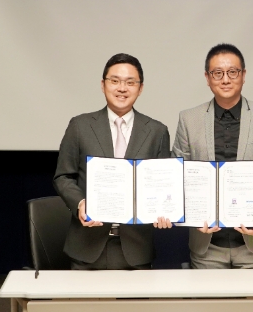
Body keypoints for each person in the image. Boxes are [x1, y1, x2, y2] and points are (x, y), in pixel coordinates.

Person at [172, 43, 253, 269]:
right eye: (217, 73)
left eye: (233, 72)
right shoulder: (189, 119)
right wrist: (191, 215)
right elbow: (177, 176)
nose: (225, 79)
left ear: (243, 75)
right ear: (207, 78)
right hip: (207, 245)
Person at [53, 53, 172, 270]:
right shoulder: (80, 126)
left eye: (130, 82)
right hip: (86, 245)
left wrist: (164, 209)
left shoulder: (157, 131)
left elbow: (162, 185)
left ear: (140, 88)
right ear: (103, 85)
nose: (122, 88)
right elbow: (63, 176)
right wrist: (80, 203)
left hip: (136, 249)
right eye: (115, 81)